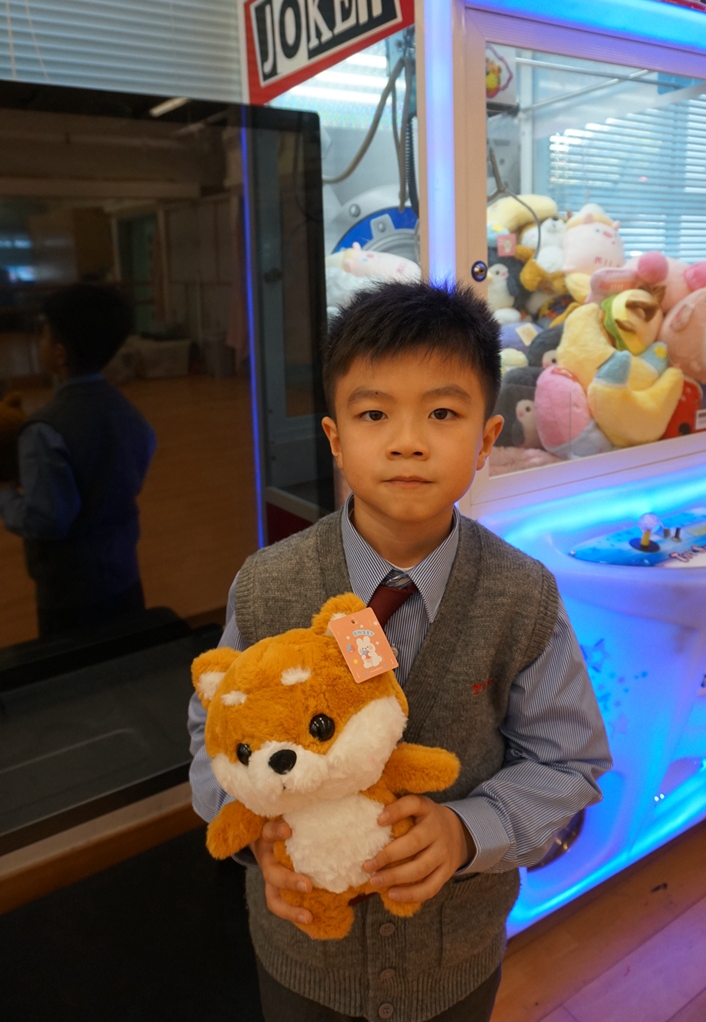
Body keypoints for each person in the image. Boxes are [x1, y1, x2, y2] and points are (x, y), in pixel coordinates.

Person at [188, 281, 612, 1022]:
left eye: (442, 413)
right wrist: (259, 838)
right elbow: (210, 735)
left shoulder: (522, 595)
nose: (407, 440)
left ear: (487, 439)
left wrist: (468, 829)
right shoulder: (266, 585)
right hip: (302, 958)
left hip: (453, 965)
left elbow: (569, 762)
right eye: (374, 413)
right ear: (335, 438)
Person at [0, 283, 155, 637]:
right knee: (128, 656)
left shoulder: (43, 429)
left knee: (76, 665)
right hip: (124, 574)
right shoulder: (127, 411)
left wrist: (6, 495)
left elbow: (47, 520)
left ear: (60, 354)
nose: (38, 341)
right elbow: (140, 458)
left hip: (69, 593)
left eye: (42, 334)